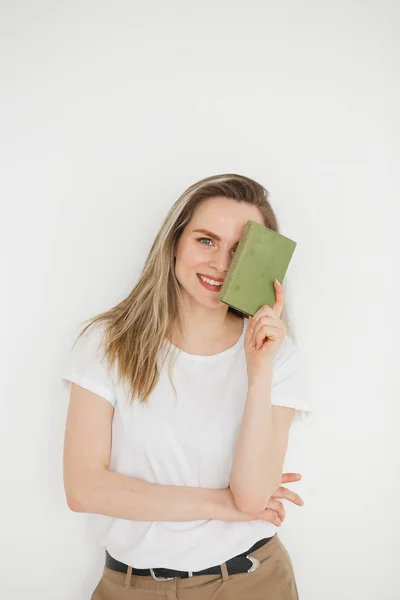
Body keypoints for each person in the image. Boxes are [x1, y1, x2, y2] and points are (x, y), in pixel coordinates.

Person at [62, 173, 312, 600]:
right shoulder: (108, 342)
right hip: (131, 587)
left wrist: (258, 372)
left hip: (250, 582)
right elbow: (83, 489)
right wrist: (221, 504)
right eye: (206, 240)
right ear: (175, 242)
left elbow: (253, 498)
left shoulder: (274, 355)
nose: (221, 264)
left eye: (240, 250)